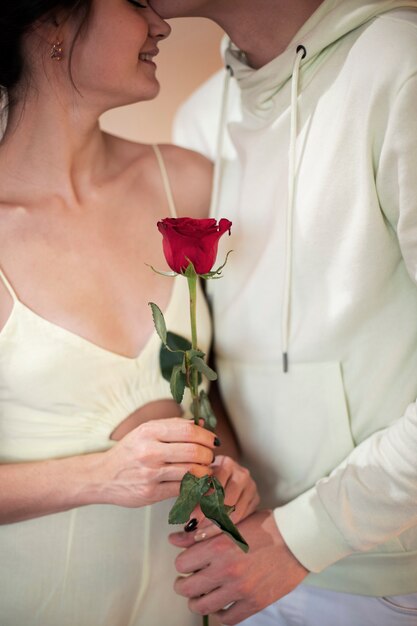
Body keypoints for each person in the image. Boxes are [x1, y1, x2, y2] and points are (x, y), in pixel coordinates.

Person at [149, 0, 417, 625]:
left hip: (385, 576)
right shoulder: (200, 119)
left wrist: (305, 534)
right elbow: (199, 353)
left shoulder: (399, 69)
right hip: (249, 565)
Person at [0, 2, 259, 625]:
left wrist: (228, 463)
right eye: (133, 1)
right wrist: (103, 476)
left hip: (177, 606)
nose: (162, 23)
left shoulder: (189, 184)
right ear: (51, 24)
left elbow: (217, 380)